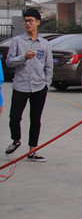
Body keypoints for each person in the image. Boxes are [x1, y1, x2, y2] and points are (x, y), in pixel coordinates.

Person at [4, 8, 53, 162]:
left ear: (38, 22)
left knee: (35, 119)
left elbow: (49, 67)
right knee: (14, 117)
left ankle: (33, 150)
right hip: (21, 85)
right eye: (25, 21)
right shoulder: (17, 41)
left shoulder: (45, 44)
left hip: (39, 86)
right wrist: (23, 57)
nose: (27, 24)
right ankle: (16, 140)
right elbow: (9, 62)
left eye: (30, 21)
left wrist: (46, 84)